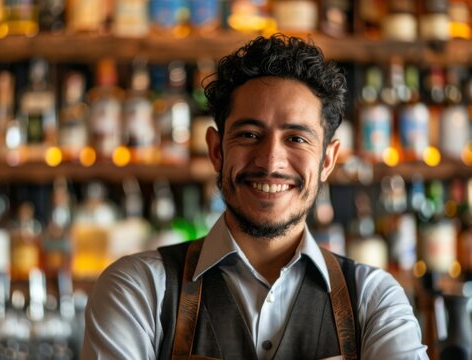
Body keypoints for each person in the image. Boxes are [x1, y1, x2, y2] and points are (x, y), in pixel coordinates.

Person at [82, 34, 428, 359]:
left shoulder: (374, 298)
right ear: (216, 151)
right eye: (249, 134)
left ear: (326, 161)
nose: (270, 162)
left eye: (296, 138)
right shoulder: (137, 288)